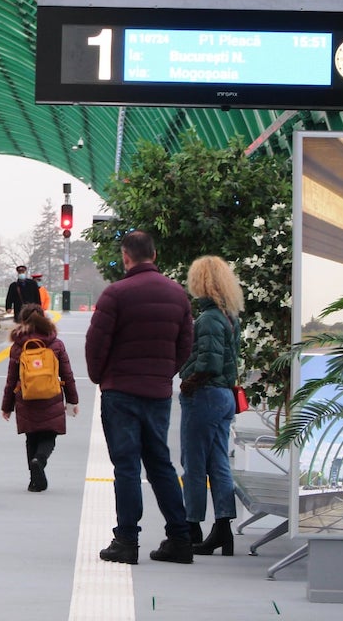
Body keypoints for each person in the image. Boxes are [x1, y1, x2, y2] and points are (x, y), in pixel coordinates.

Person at [85, 230, 194, 565]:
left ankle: (127, 541)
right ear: (155, 256)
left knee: (127, 466)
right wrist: (165, 374)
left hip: (121, 392)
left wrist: (100, 376)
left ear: (125, 256)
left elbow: (96, 344)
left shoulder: (115, 294)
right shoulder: (178, 295)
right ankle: (179, 538)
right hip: (158, 393)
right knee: (161, 463)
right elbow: (185, 345)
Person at [178, 255, 243, 556]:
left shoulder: (207, 319)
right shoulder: (230, 317)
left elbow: (208, 362)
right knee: (219, 464)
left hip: (204, 395)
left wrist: (188, 381)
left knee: (193, 464)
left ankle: (191, 526)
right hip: (225, 397)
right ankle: (223, 528)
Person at [2, 304, 79, 491]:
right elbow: (67, 375)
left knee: (31, 436)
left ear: (22, 320)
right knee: (49, 435)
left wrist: (7, 406)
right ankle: (40, 460)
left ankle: (34, 481)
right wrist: (72, 401)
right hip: (51, 396)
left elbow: (11, 379)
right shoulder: (56, 344)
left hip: (26, 397)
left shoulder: (17, 346)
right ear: (44, 319)